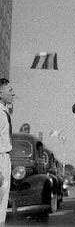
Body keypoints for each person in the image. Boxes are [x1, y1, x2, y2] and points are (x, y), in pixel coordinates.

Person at [0, 78, 14, 226]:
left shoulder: (4, 110)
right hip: (0, 159)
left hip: (5, 158)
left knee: (2, 201)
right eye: (9, 90)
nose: (12, 93)